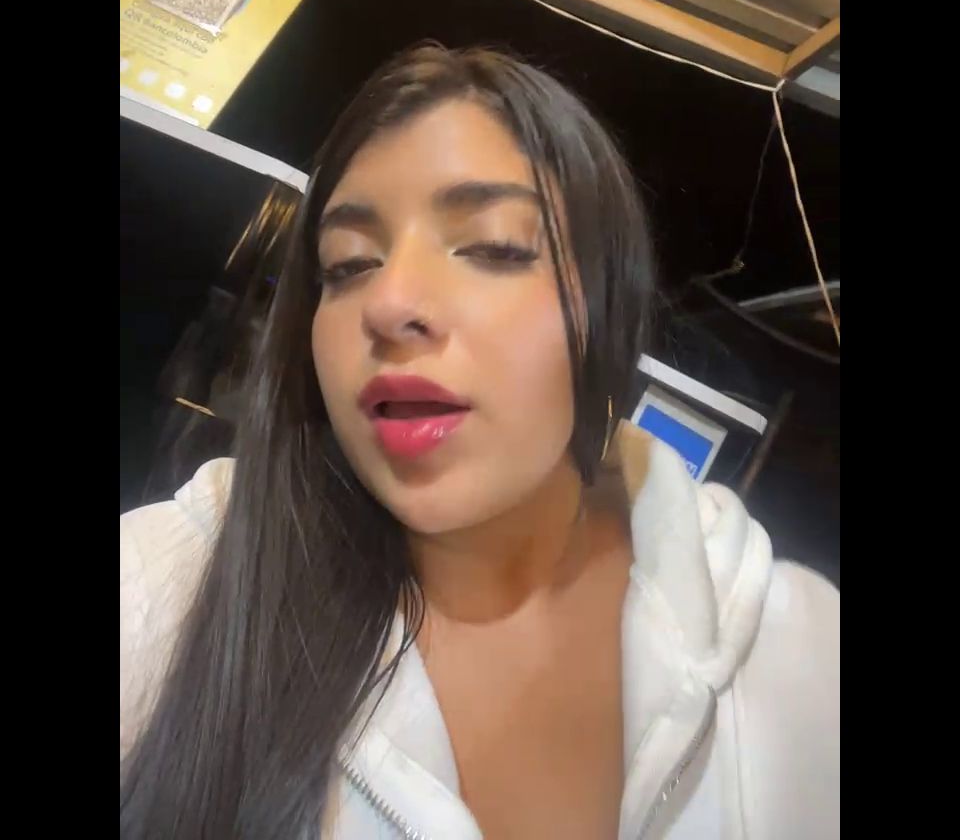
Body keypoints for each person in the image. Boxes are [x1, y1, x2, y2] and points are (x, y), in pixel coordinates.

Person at [120, 43, 839, 840]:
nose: (388, 302)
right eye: (348, 265)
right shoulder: (177, 580)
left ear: (609, 307)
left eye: (494, 248)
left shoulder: (806, 659)